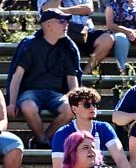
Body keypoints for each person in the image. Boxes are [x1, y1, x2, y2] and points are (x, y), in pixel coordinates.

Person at [7, 8, 81, 148]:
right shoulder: (30, 45)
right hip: (31, 93)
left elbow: (72, 78)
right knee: (28, 107)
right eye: (61, 21)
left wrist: (75, 100)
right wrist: (12, 102)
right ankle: (42, 140)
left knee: (70, 108)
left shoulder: (67, 47)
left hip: (56, 94)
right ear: (48, 25)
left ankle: (42, 140)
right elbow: (17, 76)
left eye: (67, 21)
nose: (66, 24)